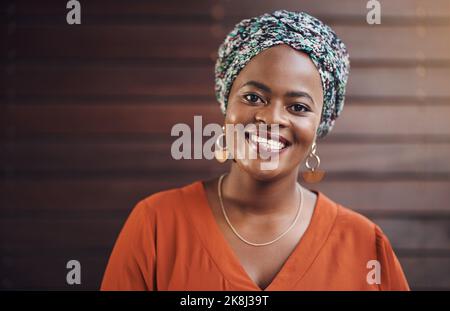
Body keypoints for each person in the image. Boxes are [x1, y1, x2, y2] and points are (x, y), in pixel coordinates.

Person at [101, 10, 409, 291]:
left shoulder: (365, 245)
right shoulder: (156, 224)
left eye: (298, 107)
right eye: (253, 98)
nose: (272, 118)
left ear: (319, 124)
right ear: (227, 104)